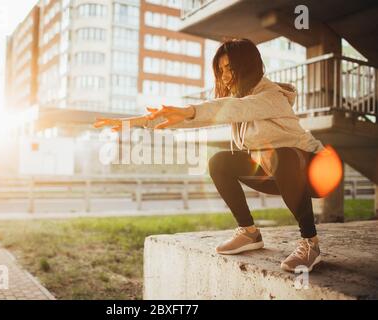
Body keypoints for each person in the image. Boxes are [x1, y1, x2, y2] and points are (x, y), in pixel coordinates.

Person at [94, 38, 328, 273]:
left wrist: (190, 110)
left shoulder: (271, 96)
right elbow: (210, 115)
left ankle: (310, 244)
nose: (225, 76)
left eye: (230, 68)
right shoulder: (243, 99)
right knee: (219, 162)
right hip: (277, 173)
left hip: (316, 171)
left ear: (248, 65)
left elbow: (226, 109)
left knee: (284, 156)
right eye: (220, 70)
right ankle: (249, 233)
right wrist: (139, 121)